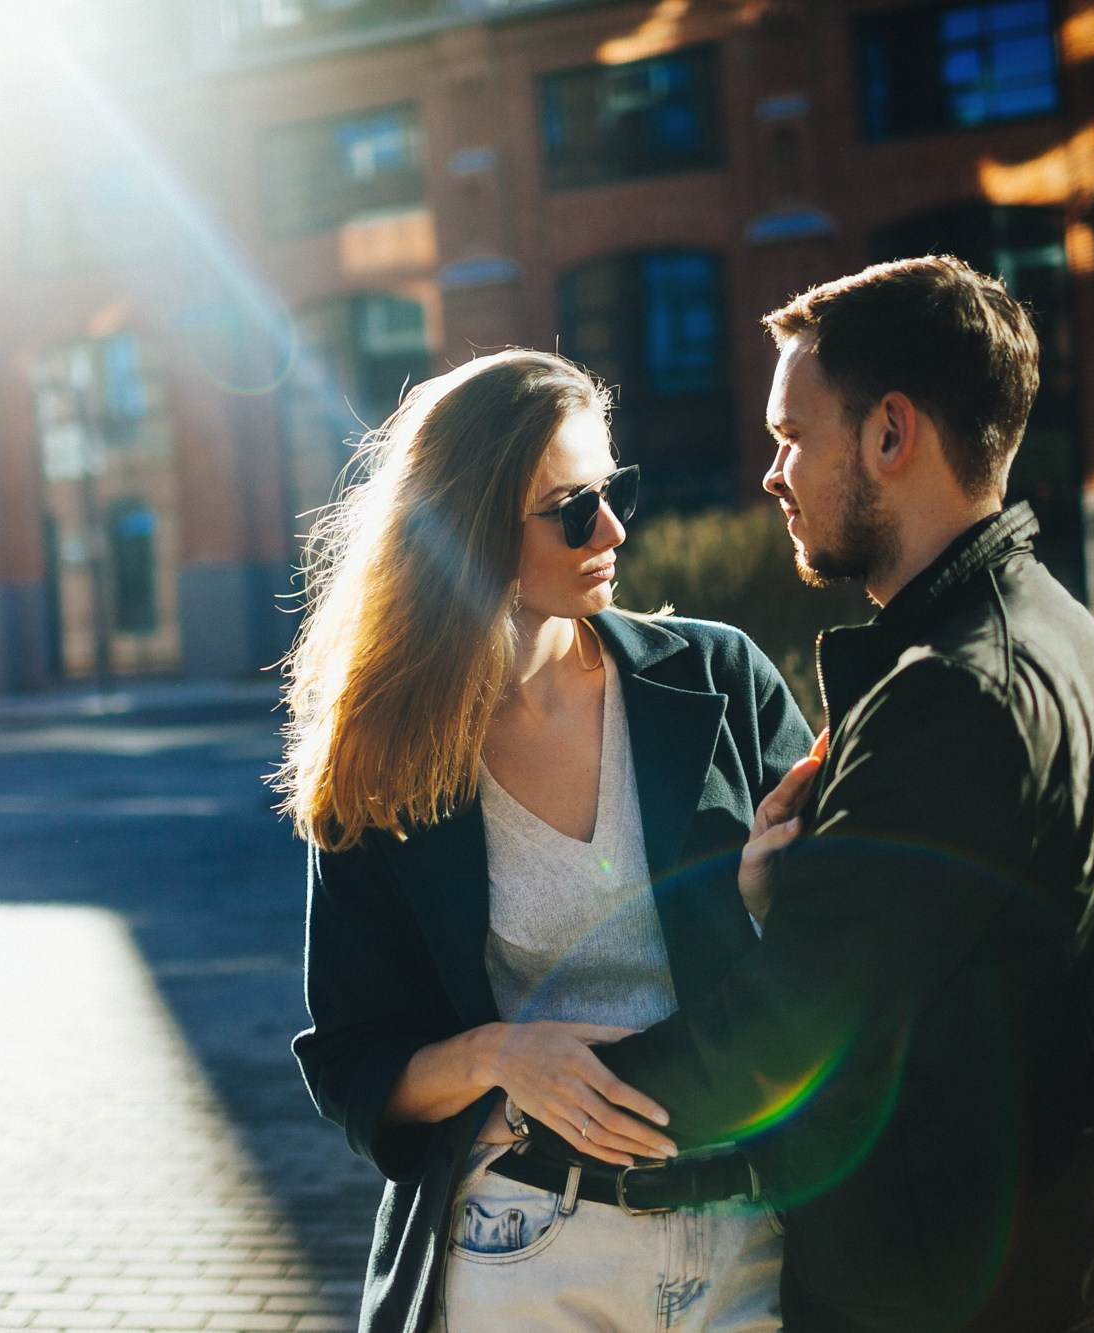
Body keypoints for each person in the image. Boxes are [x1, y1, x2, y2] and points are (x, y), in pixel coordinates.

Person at [584, 257, 1094, 1331]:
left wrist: (536, 1108)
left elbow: (780, 1036)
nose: (772, 473)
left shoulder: (951, 694)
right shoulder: (1048, 624)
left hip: (956, 1285)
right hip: (1059, 1246)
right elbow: (941, 951)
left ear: (888, 434)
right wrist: (788, 901)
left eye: (790, 435)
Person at [281, 349, 817, 1332]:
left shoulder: (718, 678)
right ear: (471, 530)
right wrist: (500, 1056)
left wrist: (769, 896)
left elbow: (838, 949)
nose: (610, 529)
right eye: (571, 508)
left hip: (747, 1228)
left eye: (613, 493)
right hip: (517, 1246)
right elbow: (355, 1061)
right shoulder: (384, 756)